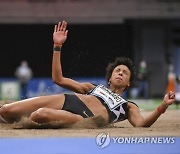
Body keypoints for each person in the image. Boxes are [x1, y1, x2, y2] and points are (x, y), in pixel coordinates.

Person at [0, 21, 176, 127]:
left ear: (129, 82)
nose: (121, 73)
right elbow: (58, 79)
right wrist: (57, 46)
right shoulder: (93, 87)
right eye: (117, 70)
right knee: (6, 111)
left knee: (39, 115)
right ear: (110, 77)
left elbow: (141, 124)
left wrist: (162, 107)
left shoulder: (128, 106)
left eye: (125, 73)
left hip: (83, 117)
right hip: (67, 100)